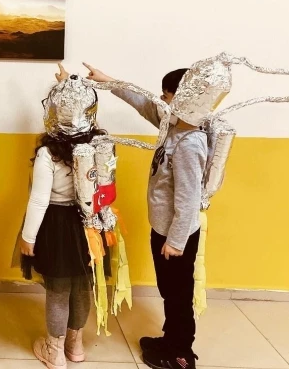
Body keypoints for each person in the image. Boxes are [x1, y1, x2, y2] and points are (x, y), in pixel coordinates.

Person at [84, 63, 206, 369]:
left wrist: (176, 241)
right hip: (164, 229)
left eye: (168, 95)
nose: (163, 100)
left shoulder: (190, 143)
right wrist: (107, 81)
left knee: (178, 294)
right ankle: (170, 339)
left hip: (175, 236)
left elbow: (189, 198)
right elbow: (144, 103)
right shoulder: (173, 124)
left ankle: (181, 354)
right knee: (169, 290)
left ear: (187, 97)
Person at [18, 65, 107, 369]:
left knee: (58, 291)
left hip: (55, 226)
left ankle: (54, 351)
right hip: (88, 225)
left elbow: (39, 199)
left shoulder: (49, 153)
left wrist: (28, 237)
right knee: (82, 287)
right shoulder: (96, 145)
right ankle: (75, 345)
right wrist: (70, 86)